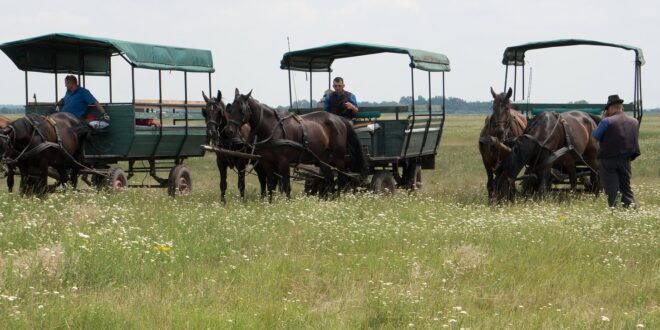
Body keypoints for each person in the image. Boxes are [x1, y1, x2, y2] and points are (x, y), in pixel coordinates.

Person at [592, 94, 641, 208]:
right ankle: (631, 211)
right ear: (621, 107)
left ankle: (616, 212)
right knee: (626, 189)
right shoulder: (634, 122)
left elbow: (595, 137)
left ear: (610, 108)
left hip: (608, 160)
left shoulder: (606, 121)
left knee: (612, 189)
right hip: (626, 160)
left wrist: (602, 120)